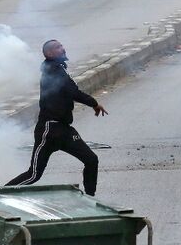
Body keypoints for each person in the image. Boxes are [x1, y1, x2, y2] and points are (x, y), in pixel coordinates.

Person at [7, 40, 108, 194]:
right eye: (58, 47)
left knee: (91, 160)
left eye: (62, 46)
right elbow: (74, 92)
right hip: (49, 130)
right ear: (49, 53)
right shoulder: (52, 71)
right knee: (34, 175)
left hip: (64, 130)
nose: (62, 49)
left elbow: (71, 91)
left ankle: (91, 199)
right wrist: (94, 103)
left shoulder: (57, 69)